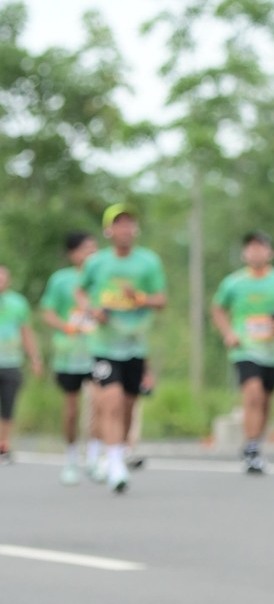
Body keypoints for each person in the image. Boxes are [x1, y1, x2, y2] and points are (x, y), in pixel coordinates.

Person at [77, 206, 166, 494]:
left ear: (135, 230)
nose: (125, 229)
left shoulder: (148, 262)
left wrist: (138, 298)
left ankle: (115, 453)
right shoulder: (96, 263)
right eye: (119, 224)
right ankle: (115, 465)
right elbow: (80, 292)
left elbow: (161, 300)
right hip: (103, 345)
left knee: (127, 407)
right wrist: (92, 310)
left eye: (129, 224)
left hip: (135, 345)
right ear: (109, 231)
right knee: (111, 401)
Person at [211, 233, 274, 474]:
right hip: (245, 348)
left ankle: (255, 443)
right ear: (244, 254)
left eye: (260, 248)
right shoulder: (233, 283)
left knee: (266, 400)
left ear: (270, 252)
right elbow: (218, 309)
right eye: (251, 248)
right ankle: (251, 448)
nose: (256, 253)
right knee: (253, 394)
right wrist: (228, 333)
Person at [39, 231, 101, 483]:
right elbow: (48, 311)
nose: (92, 254)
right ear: (72, 253)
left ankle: (94, 458)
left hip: (99, 350)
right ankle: (71, 459)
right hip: (69, 354)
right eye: (86, 249)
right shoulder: (61, 280)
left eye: (95, 249)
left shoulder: (102, 277)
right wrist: (66, 326)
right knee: (72, 409)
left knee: (100, 404)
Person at [0, 265, 43, 461]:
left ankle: (4, 444)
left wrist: (35, 358)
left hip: (11, 362)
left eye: (3, 278)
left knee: (8, 405)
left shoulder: (18, 303)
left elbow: (26, 332)